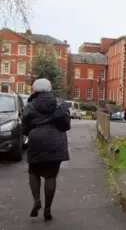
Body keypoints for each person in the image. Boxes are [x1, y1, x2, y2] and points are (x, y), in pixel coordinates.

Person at [22, 78, 71, 222]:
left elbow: (25, 126)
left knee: (33, 171)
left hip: (37, 141)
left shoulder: (30, 105)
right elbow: (66, 125)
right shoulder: (59, 103)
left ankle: (37, 200)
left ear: (35, 90)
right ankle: (48, 209)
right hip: (56, 142)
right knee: (51, 176)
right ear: (49, 89)